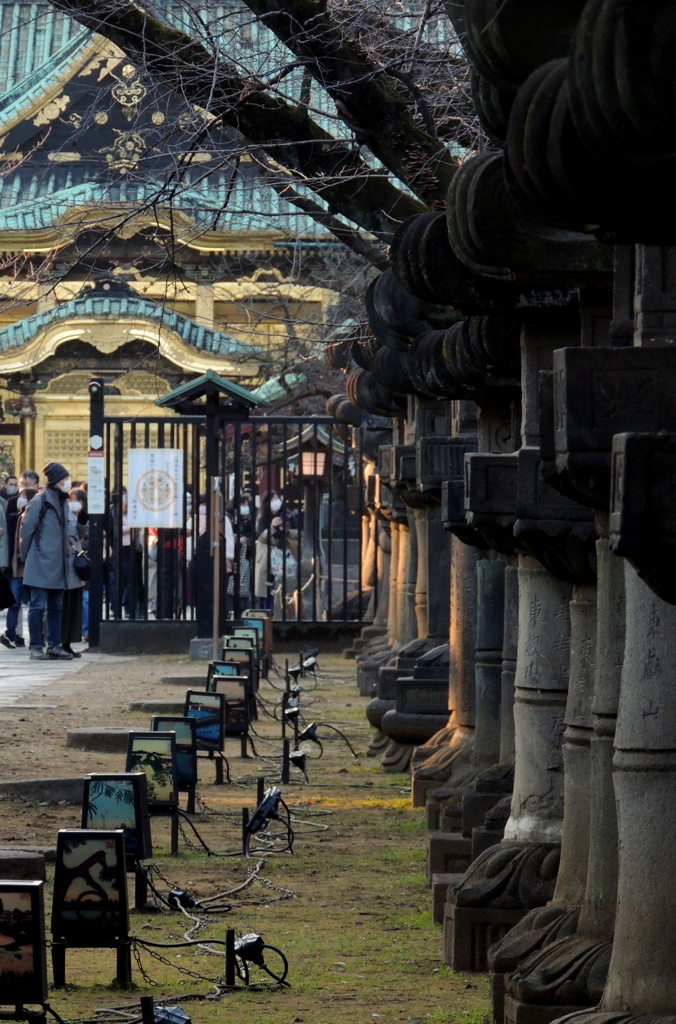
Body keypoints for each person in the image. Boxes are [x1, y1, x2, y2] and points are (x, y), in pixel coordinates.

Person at [19, 462, 74, 660]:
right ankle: (36, 646)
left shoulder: (63, 501)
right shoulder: (39, 501)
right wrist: (25, 556)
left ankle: (54, 646)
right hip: (40, 560)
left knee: (56, 607)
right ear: (57, 481)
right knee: (37, 606)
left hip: (59, 562)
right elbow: (26, 530)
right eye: (65, 479)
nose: (68, 482)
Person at [61, 488, 87, 657]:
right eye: (71, 498)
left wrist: (81, 517)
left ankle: (69, 642)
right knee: (61, 605)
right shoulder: (62, 511)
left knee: (75, 605)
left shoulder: (83, 516)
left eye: (77, 499)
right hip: (63, 562)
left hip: (77, 564)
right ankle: (59, 642)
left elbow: (82, 534)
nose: (73, 502)